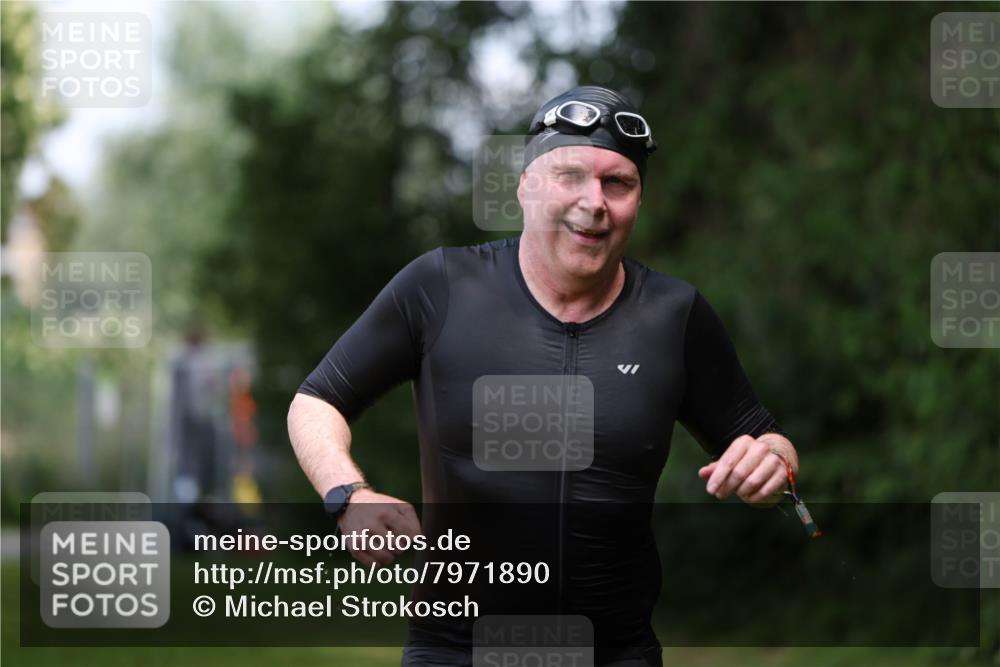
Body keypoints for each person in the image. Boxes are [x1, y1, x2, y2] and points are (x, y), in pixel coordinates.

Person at [288, 85, 800, 667]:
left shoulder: (674, 315)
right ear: (526, 185)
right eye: (570, 176)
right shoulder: (441, 288)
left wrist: (774, 465)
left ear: (638, 199)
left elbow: (768, 440)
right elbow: (317, 399)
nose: (594, 201)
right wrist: (347, 494)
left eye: (618, 183)